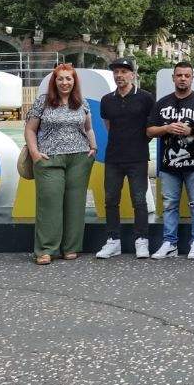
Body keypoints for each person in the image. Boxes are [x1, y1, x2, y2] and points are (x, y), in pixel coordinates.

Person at [25, 64, 97, 264]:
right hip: (49, 158)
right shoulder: (43, 102)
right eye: (61, 79)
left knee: (75, 204)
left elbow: (88, 128)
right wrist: (35, 153)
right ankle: (46, 249)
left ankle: (71, 247)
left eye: (69, 79)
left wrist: (93, 147)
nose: (65, 82)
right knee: (49, 203)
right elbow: (30, 129)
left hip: (80, 157)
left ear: (74, 82)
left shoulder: (81, 102)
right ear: (54, 81)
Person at [147, 61, 194, 260]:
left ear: (192, 78)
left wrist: (191, 130)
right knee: (169, 205)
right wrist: (166, 128)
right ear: (173, 78)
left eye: (186, 75)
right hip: (168, 165)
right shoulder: (162, 103)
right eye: (179, 75)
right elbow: (149, 130)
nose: (183, 78)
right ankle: (169, 243)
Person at [95, 57, 155, 259]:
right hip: (113, 157)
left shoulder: (146, 98)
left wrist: (136, 143)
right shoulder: (106, 100)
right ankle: (113, 241)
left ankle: (141, 240)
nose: (119, 75)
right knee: (111, 200)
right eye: (116, 72)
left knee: (139, 200)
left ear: (133, 74)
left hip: (137, 157)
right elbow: (108, 126)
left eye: (124, 71)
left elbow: (150, 128)